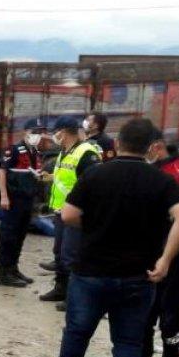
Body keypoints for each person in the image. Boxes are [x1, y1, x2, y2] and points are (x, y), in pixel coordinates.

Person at [44, 119, 179, 357]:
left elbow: (68, 215)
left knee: (78, 332)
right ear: (151, 148)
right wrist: (165, 259)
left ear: (118, 143)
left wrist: (95, 226)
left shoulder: (97, 175)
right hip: (138, 276)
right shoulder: (161, 181)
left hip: (91, 271)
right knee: (128, 341)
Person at [138, 140, 179, 357]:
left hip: (177, 261)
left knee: (171, 322)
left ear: (156, 146)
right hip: (149, 256)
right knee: (143, 320)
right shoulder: (148, 173)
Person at [41, 116, 101, 303]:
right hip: (61, 211)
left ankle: (74, 298)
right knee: (59, 253)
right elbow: (67, 178)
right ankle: (60, 288)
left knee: (71, 256)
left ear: (64, 132)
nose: (54, 135)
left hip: (76, 214)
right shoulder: (65, 151)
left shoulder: (87, 153)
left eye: (56, 132)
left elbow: (93, 185)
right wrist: (50, 177)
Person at [0, 119, 45, 287]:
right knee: (9, 236)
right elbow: (2, 172)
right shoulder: (15, 150)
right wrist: (4, 196)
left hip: (28, 200)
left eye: (40, 132)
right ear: (25, 132)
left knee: (20, 236)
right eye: (34, 132)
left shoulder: (36, 152)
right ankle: (4, 274)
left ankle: (13, 268)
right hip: (14, 200)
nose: (37, 135)